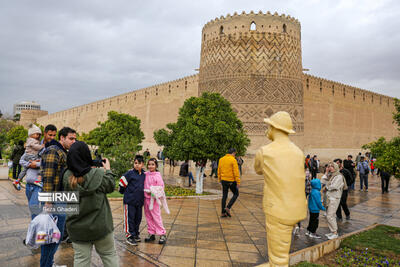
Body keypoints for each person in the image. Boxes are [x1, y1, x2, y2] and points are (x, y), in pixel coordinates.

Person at [254, 111, 307, 266]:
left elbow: (258, 170)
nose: (267, 130)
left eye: (269, 127)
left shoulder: (265, 152)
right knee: (284, 248)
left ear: (274, 128)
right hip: (296, 208)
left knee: (279, 257)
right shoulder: (298, 152)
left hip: (278, 210)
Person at [63, 141, 118, 267]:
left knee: (81, 260)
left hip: (77, 228)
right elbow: (110, 185)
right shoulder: (98, 174)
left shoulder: (66, 177)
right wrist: (108, 170)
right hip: (101, 226)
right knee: (109, 255)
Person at [40, 127, 76, 267]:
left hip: (60, 197)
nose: (73, 141)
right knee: (52, 236)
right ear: (62, 138)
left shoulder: (62, 152)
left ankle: (49, 263)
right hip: (54, 199)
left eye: (74, 139)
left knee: (54, 235)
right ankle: (46, 265)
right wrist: (48, 202)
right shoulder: (54, 150)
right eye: (71, 138)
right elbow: (48, 176)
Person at [22, 125, 57, 219]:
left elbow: (51, 163)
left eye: (54, 135)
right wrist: (30, 164)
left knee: (36, 211)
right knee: (33, 210)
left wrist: (37, 164)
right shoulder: (34, 144)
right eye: (50, 135)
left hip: (40, 184)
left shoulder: (53, 147)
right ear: (44, 133)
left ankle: (38, 230)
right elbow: (22, 160)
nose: (52, 137)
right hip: (29, 183)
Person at [119, 155, 146, 246]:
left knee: (137, 218)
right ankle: (129, 235)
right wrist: (123, 192)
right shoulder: (130, 173)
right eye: (135, 163)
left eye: (139, 163)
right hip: (129, 201)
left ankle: (135, 234)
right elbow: (122, 182)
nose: (137, 165)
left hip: (139, 201)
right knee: (129, 218)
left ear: (142, 164)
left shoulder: (144, 175)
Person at [13, 124, 44, 190]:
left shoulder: (30, 140)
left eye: (39, 134)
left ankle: (17, 181)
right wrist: (42, 146)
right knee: (40, 167)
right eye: (36, 134)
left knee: (24, 170)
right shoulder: (32, 140)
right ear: (31, 134)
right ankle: (38, 180)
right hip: (32, 156)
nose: (38, 136)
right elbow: (36, 147)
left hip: (29, 156)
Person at [144, 158, 167, 244]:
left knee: (156, 217)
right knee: (148, 217)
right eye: (149, 164)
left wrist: (153, 192)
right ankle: (151, 233)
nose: (150, 166)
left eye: (152, 164)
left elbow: (161, 188)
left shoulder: (157, 176)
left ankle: (162, 233)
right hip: (146, 199)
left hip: (154, 200)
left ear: (156, 165)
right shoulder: (146, 174)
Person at [322, 162, 345, 239]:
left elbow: (334, 186)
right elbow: (322, 181)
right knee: (329, 215)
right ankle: (332, 232)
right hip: (329, 198)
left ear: (336, 167)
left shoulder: (338, 176)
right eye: (329, 166)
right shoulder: (330, 176)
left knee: (330, 216)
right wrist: (326, 172)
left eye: (332, 166)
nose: (330, 167)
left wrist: (327, 186)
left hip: (334, 198)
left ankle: (335, 232)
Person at [218, 148, 240, 217]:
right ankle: (228, 207)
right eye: (234, 154)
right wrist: (238, 181)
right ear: (233, 153)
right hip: (231, 180)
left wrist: (220, 179)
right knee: (236, 194)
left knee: (224, 195)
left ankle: (222, 212)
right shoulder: (233, 160)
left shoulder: (221, 159)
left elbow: (219, 170)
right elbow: (236, 172)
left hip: (223, 180)